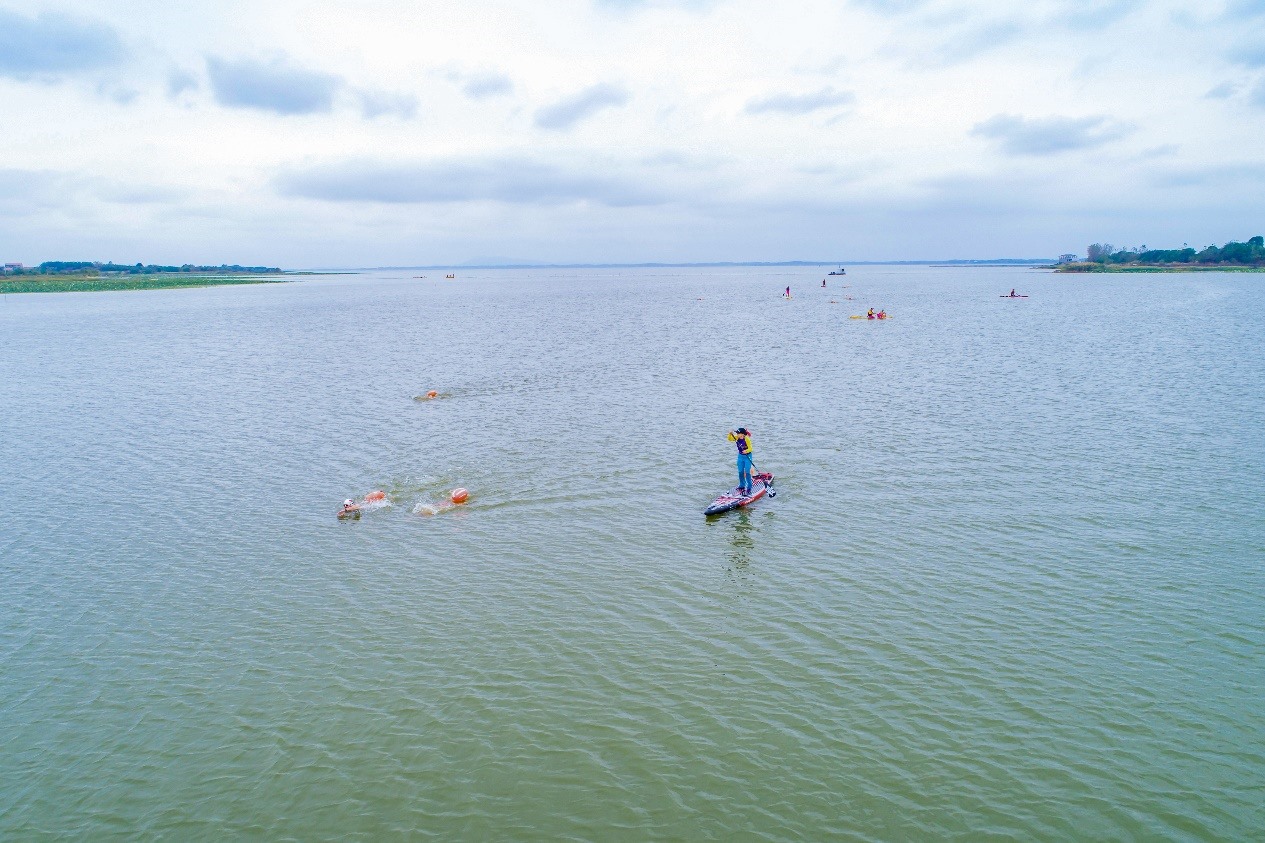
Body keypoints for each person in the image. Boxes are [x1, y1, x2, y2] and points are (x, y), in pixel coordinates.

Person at [727, 427, 754, 495]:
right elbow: (729, 439)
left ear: (742, 434)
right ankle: (742, 485)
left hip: (747, 457)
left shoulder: (747, 439)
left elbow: (751, 448)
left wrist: (746, 451)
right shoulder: (736, 437)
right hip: (740, 457)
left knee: (747, 472)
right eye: (736, 433)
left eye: (738, 433)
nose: (737, 434)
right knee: (740, 472)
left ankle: (749, 487)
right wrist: (730, 434)